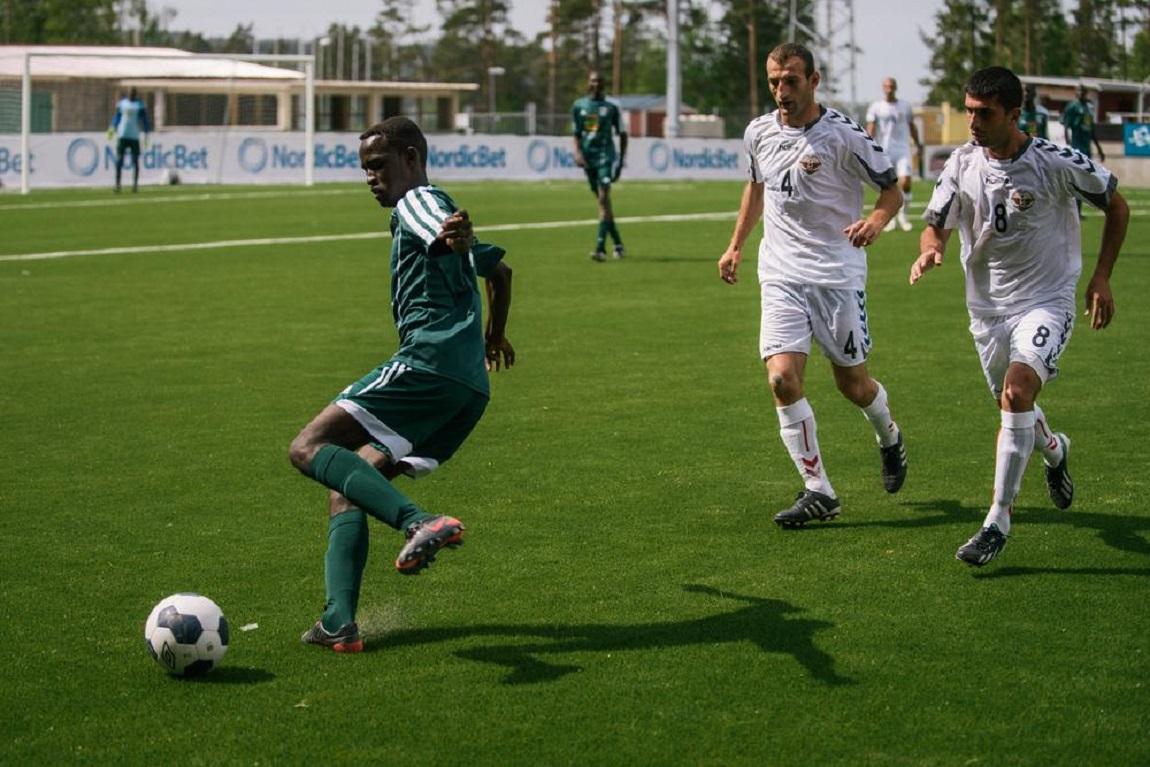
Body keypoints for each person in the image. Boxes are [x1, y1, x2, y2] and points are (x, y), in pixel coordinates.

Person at [289, 116, 515, 652]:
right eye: (364, 169)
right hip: (468, 388)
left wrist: (452, 233)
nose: (371, 178)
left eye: (378, 166)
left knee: (307, 447)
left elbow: (440, 227)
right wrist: (494, 335)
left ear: (411, 159)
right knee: (350, 481)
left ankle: (420, 522)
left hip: (428, 364)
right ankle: (338, 622)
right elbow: (500, 272)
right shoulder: (430, 208)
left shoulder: (418, 201)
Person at [911, 66, 1128, 567]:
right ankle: (1053, 448)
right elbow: (935, 225)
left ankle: (997, 520)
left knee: (1016, 393)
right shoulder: (960, 164)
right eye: (968, 111)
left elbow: (1116, 206)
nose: (972, 122)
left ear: (1014, 113)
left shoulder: (1054, 162)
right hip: (986, 310)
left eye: (983, 113)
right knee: (1013, 408)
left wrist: (1101, 277)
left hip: (1047, 300)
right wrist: (930, 250)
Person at [718, 42, 908, 529]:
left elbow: (893, 189)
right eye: (775, 81)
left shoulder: (844, 136)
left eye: (792, 81)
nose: (782, 91)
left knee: (854, 385)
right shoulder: (758, 132)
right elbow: (756, 187)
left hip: (836, 276)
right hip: (780, 272)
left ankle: (889, 435)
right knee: (781, 378)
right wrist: (737, 243)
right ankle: (818, 489)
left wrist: (876, 222)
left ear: (814, 80)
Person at [572, 71, 627, 261]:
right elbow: (577, 133)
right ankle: (618, 244)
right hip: (588, 160)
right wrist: (578, 153)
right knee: (604, 203)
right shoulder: (580, 106)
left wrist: (620, 162)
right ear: (588, 83)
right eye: (593, 80)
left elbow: (623, 134)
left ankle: (600, 248)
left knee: (603, 199)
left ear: (604, 84)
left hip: (605, 158)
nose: (596, 83)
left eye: (599, 80)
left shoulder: (611, 107)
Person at [866, 77, 923, 232]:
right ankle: (890, 218)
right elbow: (871, 128)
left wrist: (918, 144)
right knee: (888, 186)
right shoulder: (876, 107)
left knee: (905, 182)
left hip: (903, 149)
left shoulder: (905, 106)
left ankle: (903, 216)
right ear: (883, 88)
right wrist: (867, 146)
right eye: (886, 86)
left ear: (896, 88)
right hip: (884, 151)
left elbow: (912, 126)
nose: (889, 89)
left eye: (892, 86)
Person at [107, 88, 150, 193]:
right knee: (119, 160)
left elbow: (144, 120)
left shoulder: (140, 105)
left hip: (134, 136)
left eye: (133, 93)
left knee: (135, 161)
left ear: (136, 94)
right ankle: (118, 185)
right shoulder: (122, 104)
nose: (131, 95)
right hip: (122, 135)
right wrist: (112, 127)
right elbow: (117, 117)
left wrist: (146, 133)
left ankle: (135, 185)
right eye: (130, 93)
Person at [1062, 84, 1105, 161]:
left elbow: (1091, 130)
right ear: (1076, 92)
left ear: (1086, 93)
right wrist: (1068, 145)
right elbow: (1066, 126)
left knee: (1087, 171)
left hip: (1087, 148)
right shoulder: (1072, 106)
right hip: (1076, 146)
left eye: (1083, 91)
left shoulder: (1089, 108)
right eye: (1079, 90)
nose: (1081, 92)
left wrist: (1099, 149)